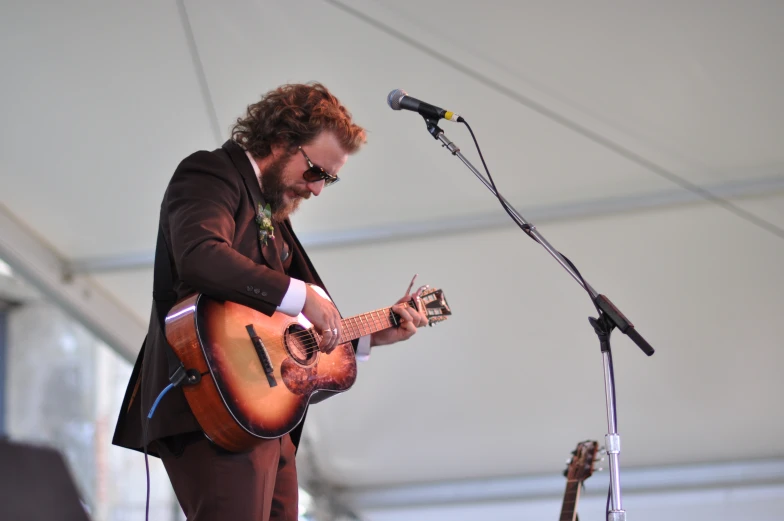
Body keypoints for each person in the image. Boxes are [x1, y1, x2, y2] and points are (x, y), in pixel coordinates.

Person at [112, 82, 429, 521]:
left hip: (263, 413)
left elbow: (291, 332)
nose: (317, 189)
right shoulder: (209, 174)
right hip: (211, 401)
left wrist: (372, 335)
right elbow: (200, 256)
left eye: (329, 180)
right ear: (282, 141)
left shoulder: (272, 213)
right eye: (317, 171)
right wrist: (302, 296)